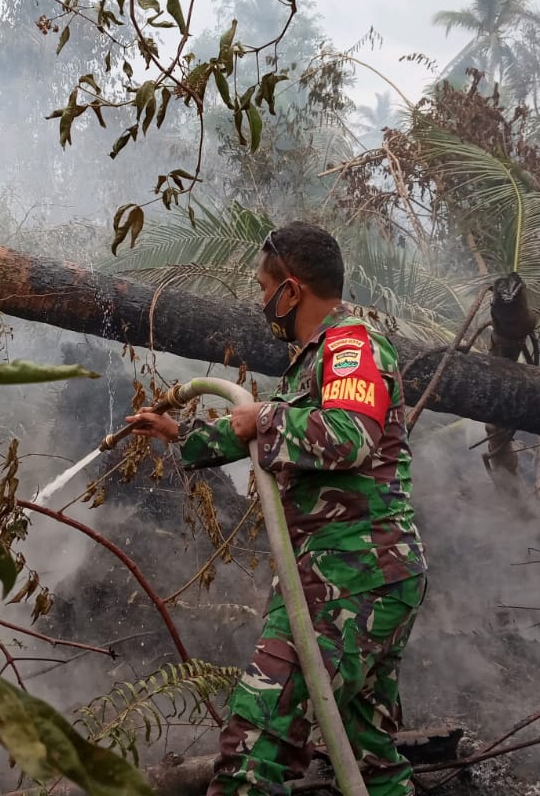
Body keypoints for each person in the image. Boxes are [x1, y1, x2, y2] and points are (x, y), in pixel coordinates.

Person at [126, 221, 427, 796]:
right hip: (373, 578)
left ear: (291, 290)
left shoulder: (350, 346)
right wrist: (179, 430)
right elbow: (270, 435)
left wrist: (262, 415)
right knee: (369, 757)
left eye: (264, 288)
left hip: (348, 577)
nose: (261, 301)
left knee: (256, 748)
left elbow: (349, 435)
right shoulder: (318, 358)